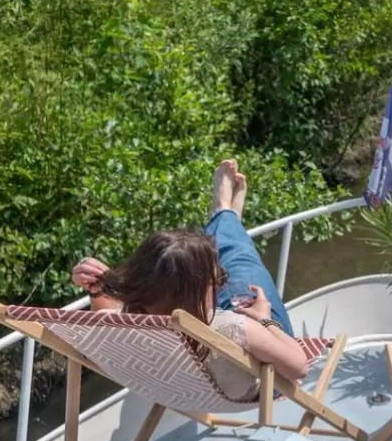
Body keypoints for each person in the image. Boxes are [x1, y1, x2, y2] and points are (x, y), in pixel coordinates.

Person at [70, 160, 307, 397]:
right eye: (217, 279)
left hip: (184, 389)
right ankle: (225, 215)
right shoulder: (237, 329)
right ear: (202, 288)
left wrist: (98, 289)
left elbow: (110, 311)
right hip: (258, 386)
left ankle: (227, 216)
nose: (219, 282)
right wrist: (265, 320)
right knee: (241, 264)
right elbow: (299, 368)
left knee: (221, 259)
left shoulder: (126, 324)